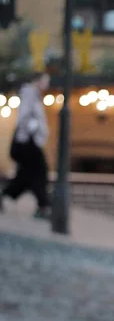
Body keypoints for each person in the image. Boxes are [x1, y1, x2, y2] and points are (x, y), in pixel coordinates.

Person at [0, 72, 51, 219]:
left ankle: (7, 195)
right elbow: (24, 117)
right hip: (27, 143)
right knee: (40, 172)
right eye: (45, 80)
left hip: (28, 142)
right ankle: (44, 206)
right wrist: (33, 129)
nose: (47, 84)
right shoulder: (29, 94)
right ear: (37, 80)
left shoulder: (33, 95)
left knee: (26, 175)